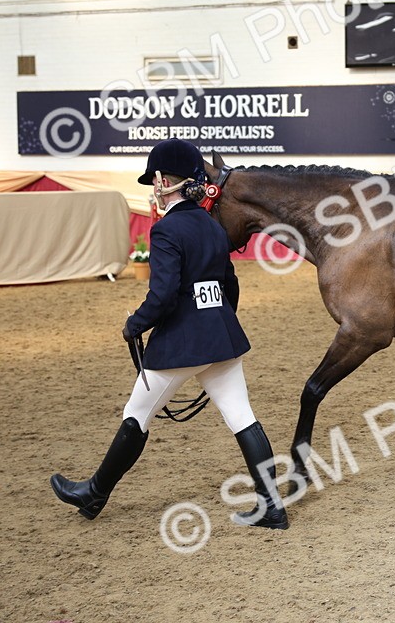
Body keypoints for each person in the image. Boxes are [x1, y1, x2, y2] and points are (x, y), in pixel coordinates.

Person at [50, 138, 288, 529]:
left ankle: (93, 494)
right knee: (242, 416)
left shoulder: (166, 231)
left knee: (137, 414)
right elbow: (231, 286)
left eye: (154, 181)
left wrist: (135, 324)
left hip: (184, 342)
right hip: (221, 337)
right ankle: (271, 507)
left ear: (164, 180)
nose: (153, 189)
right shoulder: (213, 227)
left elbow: (162, 295)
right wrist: (217, 322)